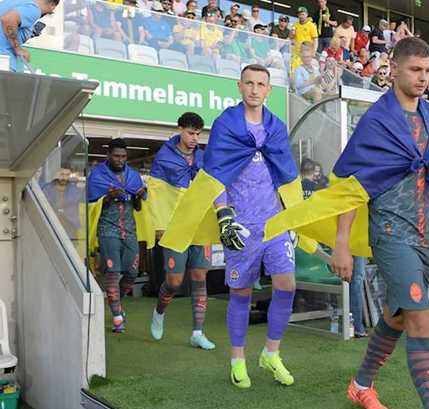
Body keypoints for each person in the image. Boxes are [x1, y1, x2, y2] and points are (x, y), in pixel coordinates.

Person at [263, 37, 429, 409]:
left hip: (424, 236)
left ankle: (361, 384)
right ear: (395, 69)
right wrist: (344, 244)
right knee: (420, 318)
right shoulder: (378, 121)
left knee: (397, 317)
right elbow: (353, 184)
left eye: (428, 71)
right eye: (415, 70)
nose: (423, 78)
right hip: (389, 234)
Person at [160, 65, 308, 389]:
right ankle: (237, 359)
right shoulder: (226, 125)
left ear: (269, 90)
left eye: (261, 84)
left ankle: (271, 353)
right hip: (239, 226)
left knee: (287, 285)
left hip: (274, 224)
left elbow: (285, 174)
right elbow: (216, 175)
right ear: (239, 86)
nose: (255, 89)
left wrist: (291, 216)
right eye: (250, 83)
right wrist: (224, 216)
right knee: (240, 293)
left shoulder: (277, 128)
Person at [147, 112, 216, 350]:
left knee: (199, 276)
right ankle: (159, 311)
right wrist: (158, 225)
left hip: (201, 225)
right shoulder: (164, 157)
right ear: (179, 130)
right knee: (174, 282)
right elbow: (156, 191)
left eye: (198, 133)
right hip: (174, 226)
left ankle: (197, 332)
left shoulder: (204, 158)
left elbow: (214, 187)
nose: (195, 138)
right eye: (190, 133)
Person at [87, 139, 148, 333]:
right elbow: (90, 205)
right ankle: (116, 318)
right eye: (116, 156)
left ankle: (116, 304)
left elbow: (138, 207)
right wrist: (109, 197)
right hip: (107, 231)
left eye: (123, 156)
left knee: (131, 273)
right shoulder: (97, 176)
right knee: (112, 274)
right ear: (109, 155)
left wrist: (138, 196)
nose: (120, 160)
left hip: (129, 231)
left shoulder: (134, 177)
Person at [0, 0, 59, 71]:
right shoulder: (34, 9)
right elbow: (8, 19)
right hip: (3, 60)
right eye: (50, 13)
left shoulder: (13, 2)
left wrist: (27, 32)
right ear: (52, 5)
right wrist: (18, 48)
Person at [290, 6, 318, 71]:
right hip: (296, 53)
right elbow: (291, 38)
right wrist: (291, 34)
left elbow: (315, 40)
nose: (301, 16)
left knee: (305, 71)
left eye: (303, 14)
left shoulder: (311, 25)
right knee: (294, 71)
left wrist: (314, 52)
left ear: (306, 15)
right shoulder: (295, 24)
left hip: (306, 53)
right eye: (299, 14)